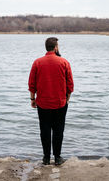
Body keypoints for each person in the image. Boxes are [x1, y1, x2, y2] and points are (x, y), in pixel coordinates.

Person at [28, 37, 74, 166]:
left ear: (46, 47)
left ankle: (46, 158)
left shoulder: (37, 62)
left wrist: (32, 99)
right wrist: (67, 99)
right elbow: (70, 85)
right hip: (60, 103)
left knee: (45, 130)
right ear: (56, 47)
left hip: (43, 104)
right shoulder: (64, 62)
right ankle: (58, 158)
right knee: (59, 130)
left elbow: (32, 84)